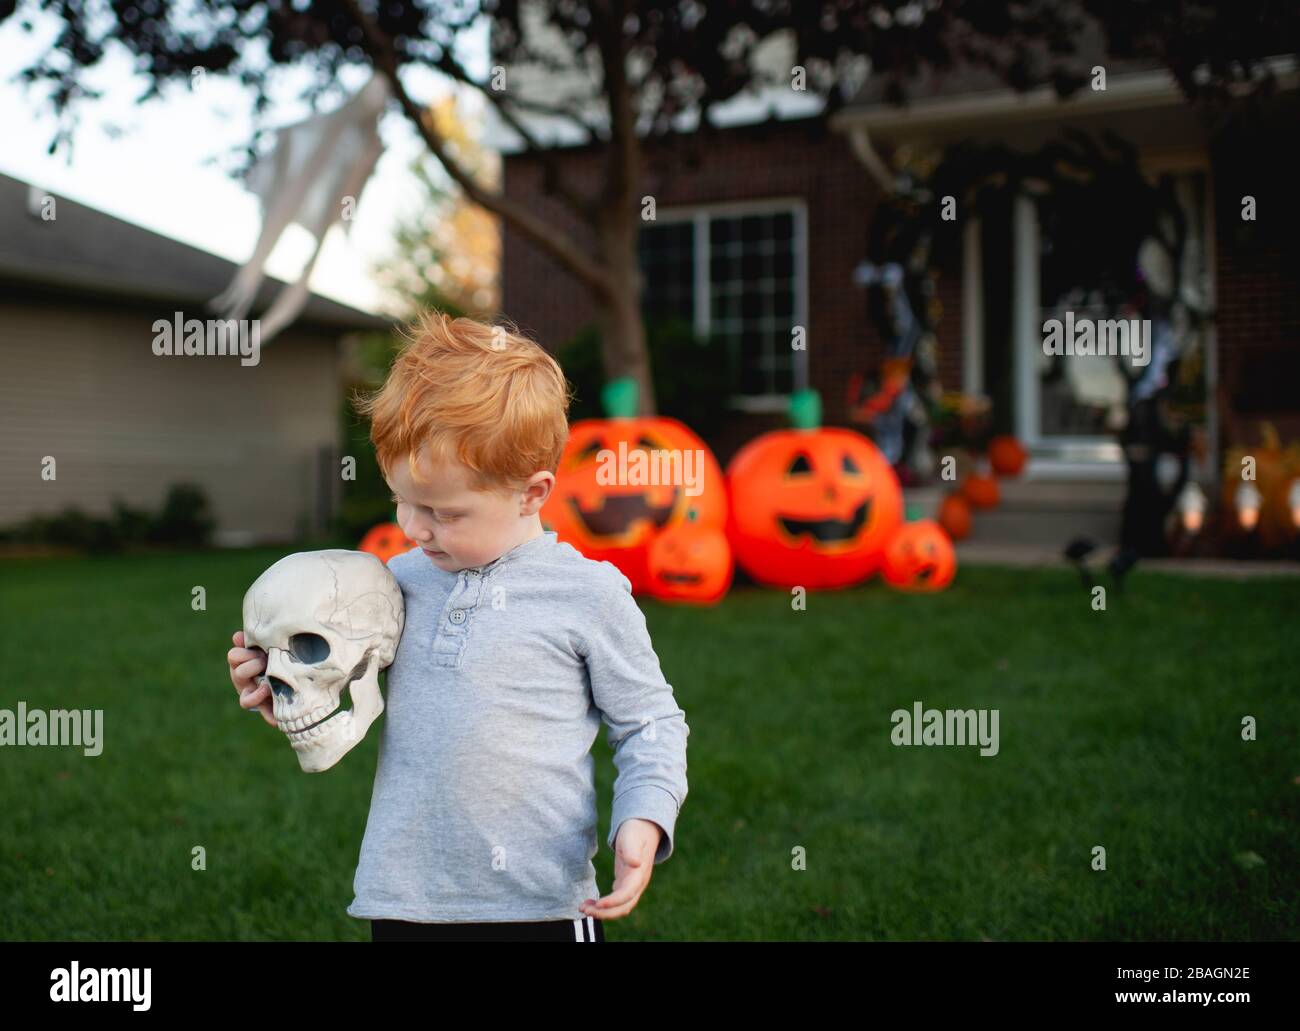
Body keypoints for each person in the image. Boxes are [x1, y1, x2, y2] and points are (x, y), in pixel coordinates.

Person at [226, 311, 690, 942]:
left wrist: (644, 815)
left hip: (542, 907)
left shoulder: (587, 594)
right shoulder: (391, 585)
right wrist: (278, 687)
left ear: (532, 493)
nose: (414, 529)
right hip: (406, 902)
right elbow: (338, 693)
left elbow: (651, 722)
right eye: (401, 500)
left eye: (442, 512)